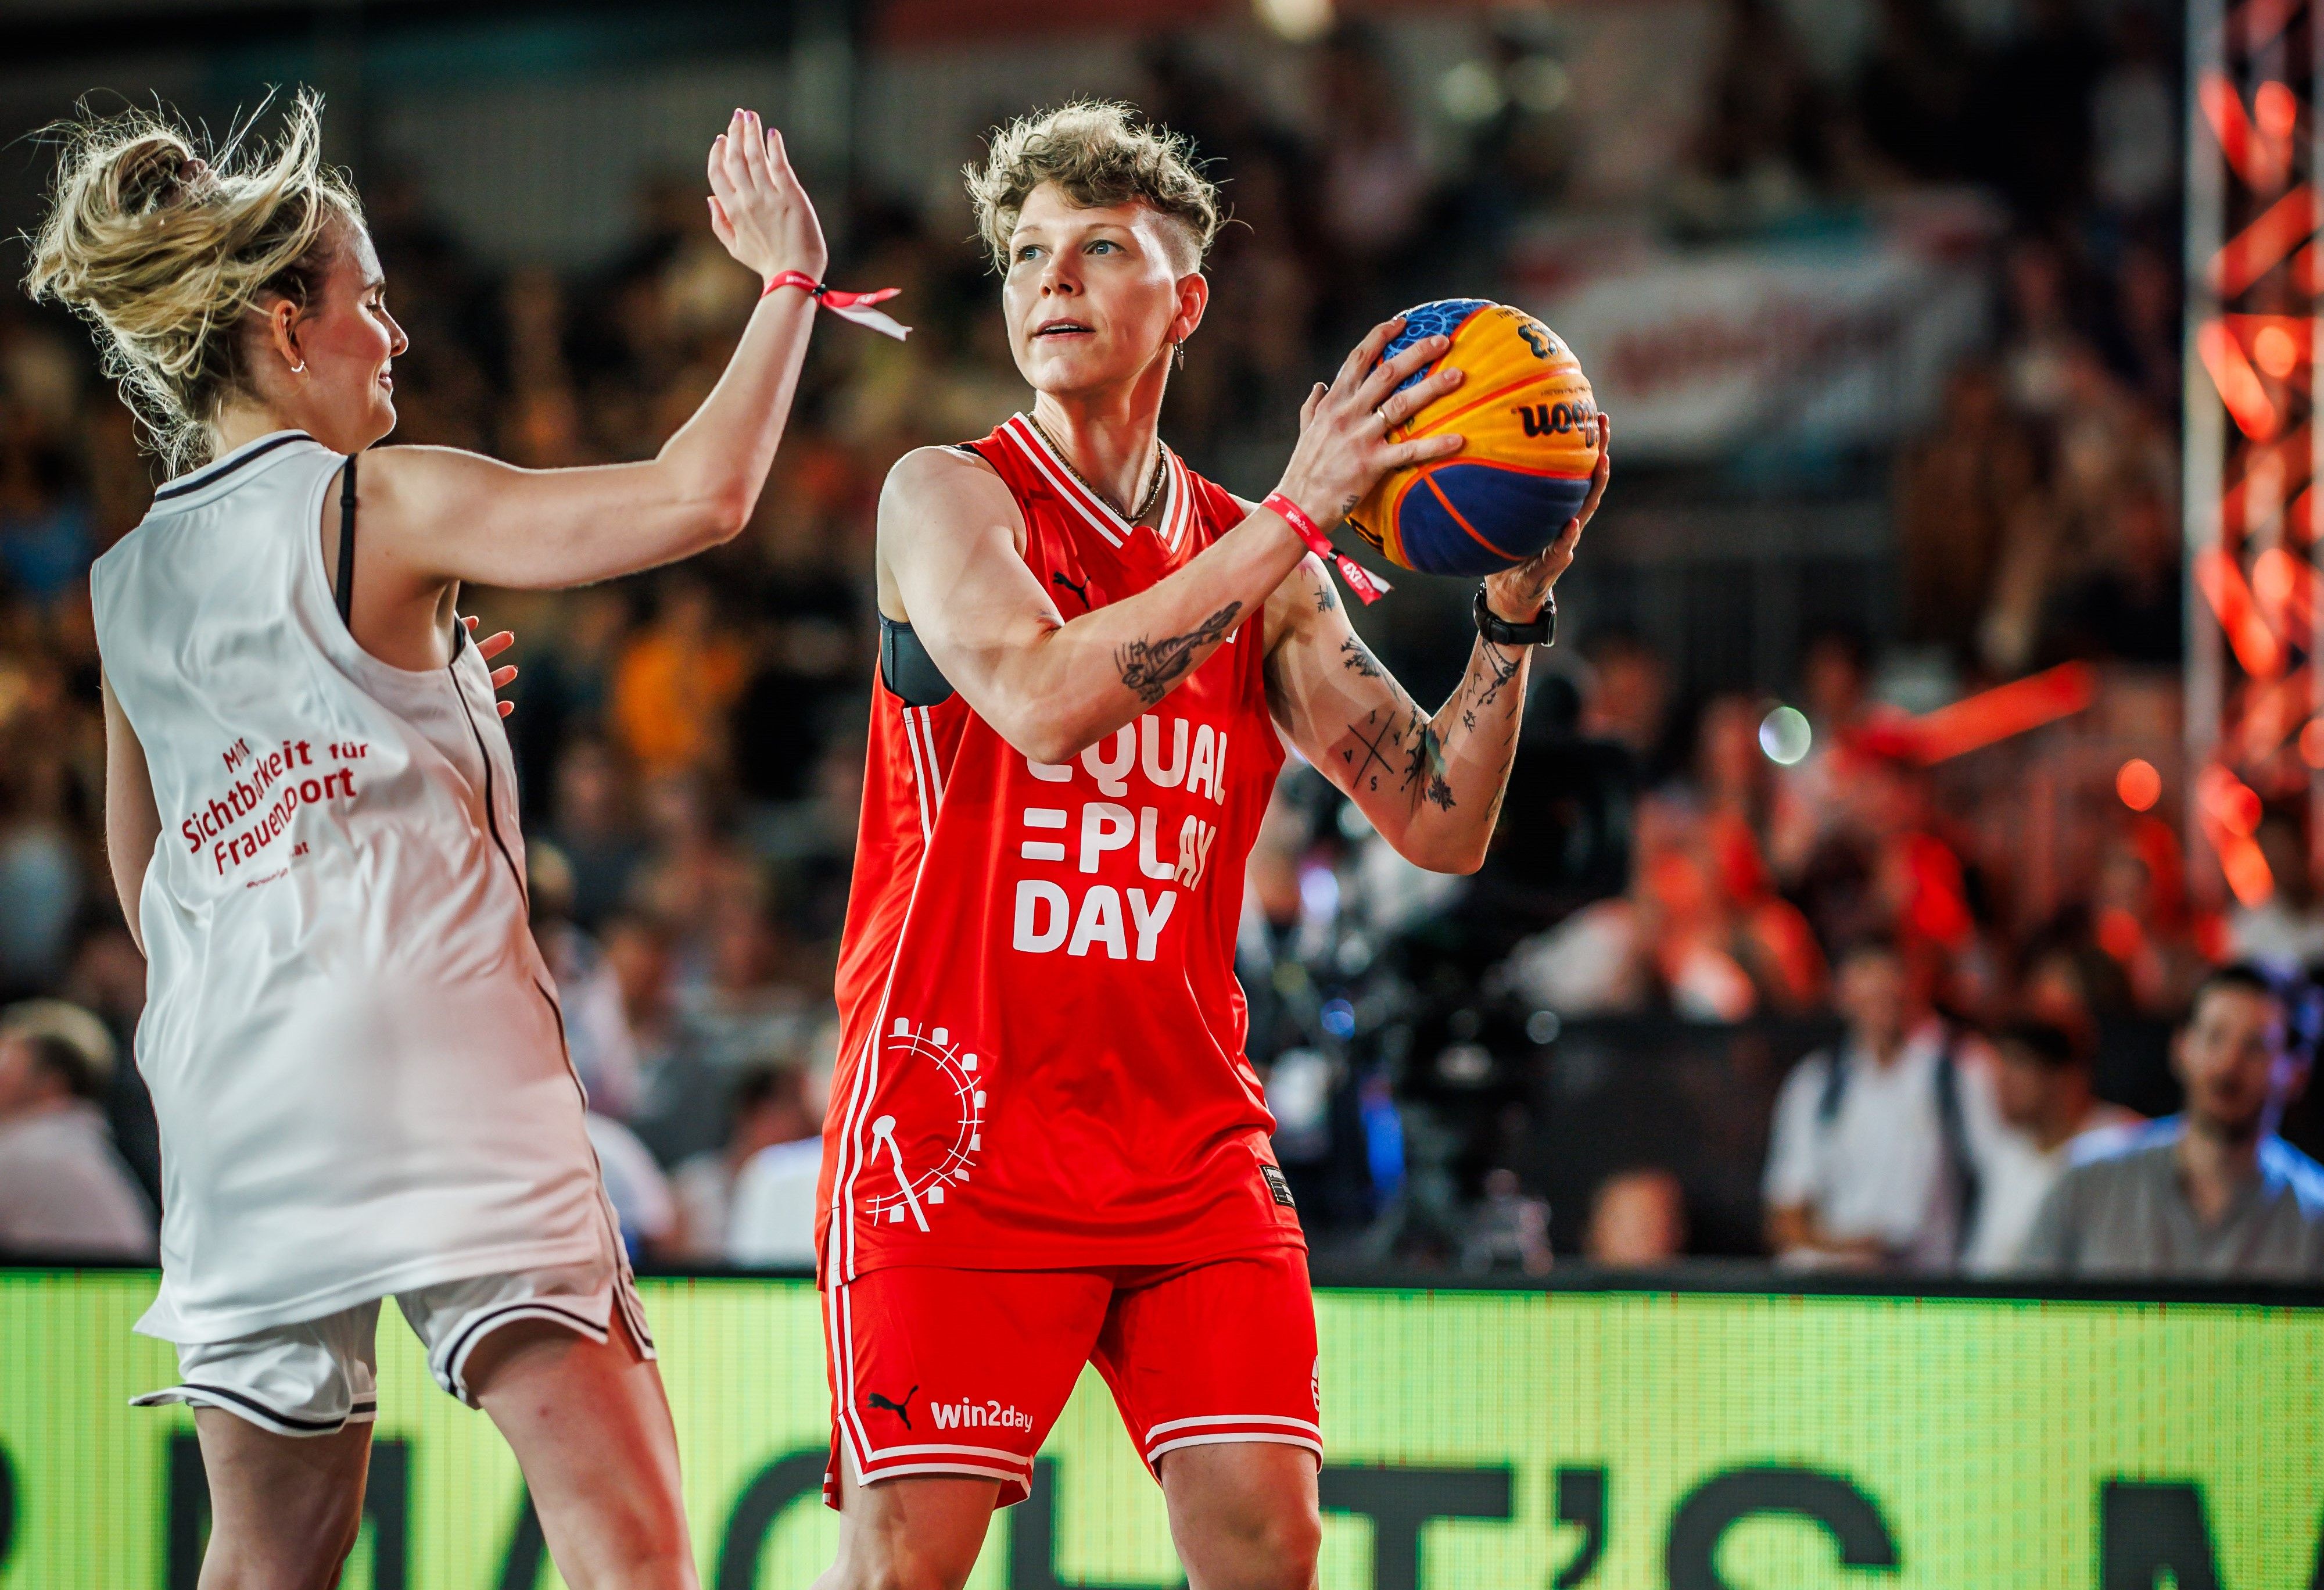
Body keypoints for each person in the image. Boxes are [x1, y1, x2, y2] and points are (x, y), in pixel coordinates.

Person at [34, 91, 831, 1588]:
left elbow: (157, 889)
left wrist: (416, 724)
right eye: (372, 305)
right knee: (626, 1545)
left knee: (266, 1557)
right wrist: (790, 284)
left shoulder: (122, 579)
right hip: (431, 1055)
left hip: (233, 1096)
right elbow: (699, 493)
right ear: (287, 326)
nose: (393, 336)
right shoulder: (368, 501)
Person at [815, 101, 1609, 1590]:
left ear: (1182, 303)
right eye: (1026, 251)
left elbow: (1438, 821)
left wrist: (1511, 614)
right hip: (961, 1127)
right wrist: (1294, 520)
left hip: (1183, 1135)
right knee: (904, 1563)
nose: (1050, 276)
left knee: (1268, 1535)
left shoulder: (1269, 569)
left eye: (1098, 247)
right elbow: (1045, 698)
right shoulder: (947, 494)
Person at [2019, 964, 2324, 1277]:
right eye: (2214, 1037)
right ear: (2181, 1048)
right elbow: (2023, 1313)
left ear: (2297, 1073)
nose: (2228, 1065)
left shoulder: (2315, 1216)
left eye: (2256, 1047)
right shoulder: (2086, 1182)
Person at [1763, 935, 1998, 1271]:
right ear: (1842, 996)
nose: (1881, 1005)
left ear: (1914, 987)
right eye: (1868, 994)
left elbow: (2002, 1177)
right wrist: (1851, 1251)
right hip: (1838, 1294)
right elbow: (1785, 1213)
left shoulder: (1964, 1069)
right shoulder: (1814, 1084)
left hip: (1935, 1290)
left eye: (1890, 991)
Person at [1959, 1015, 2139, 1273]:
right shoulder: (2007, 1153)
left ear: (2062, 1077)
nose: (2003, 1083)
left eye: (2019, 1065)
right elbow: (1982, 1265)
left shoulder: (2123, 1143)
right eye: (2001, 1066)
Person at [0, 998, 155, 1259]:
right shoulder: (76, 1142)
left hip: (88, 1293)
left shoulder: (31, 1150)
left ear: (51, 1084)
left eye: (5, 1062)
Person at [673, 1062, 819, 1260]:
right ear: (754, 1113)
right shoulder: (694, 1188)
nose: (808, 1123)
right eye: (793, 1107)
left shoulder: (808, 1187)